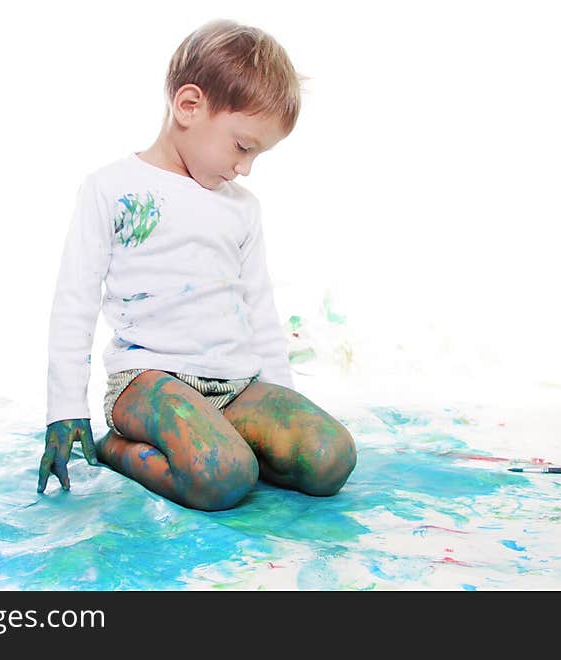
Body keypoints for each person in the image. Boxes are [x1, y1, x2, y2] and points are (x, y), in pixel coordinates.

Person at [37, 18, 356, 511]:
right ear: (189, 106)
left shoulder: (243, 207)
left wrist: (283, 404)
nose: (244, 168)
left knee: (330, 457)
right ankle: (117, 449)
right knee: (223, 478)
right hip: (147, 382)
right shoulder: (110, 188)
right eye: (243, 146)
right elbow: (74, 302)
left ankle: (224, 444)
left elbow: (259, 308)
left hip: (235, 385)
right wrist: (65, 408)